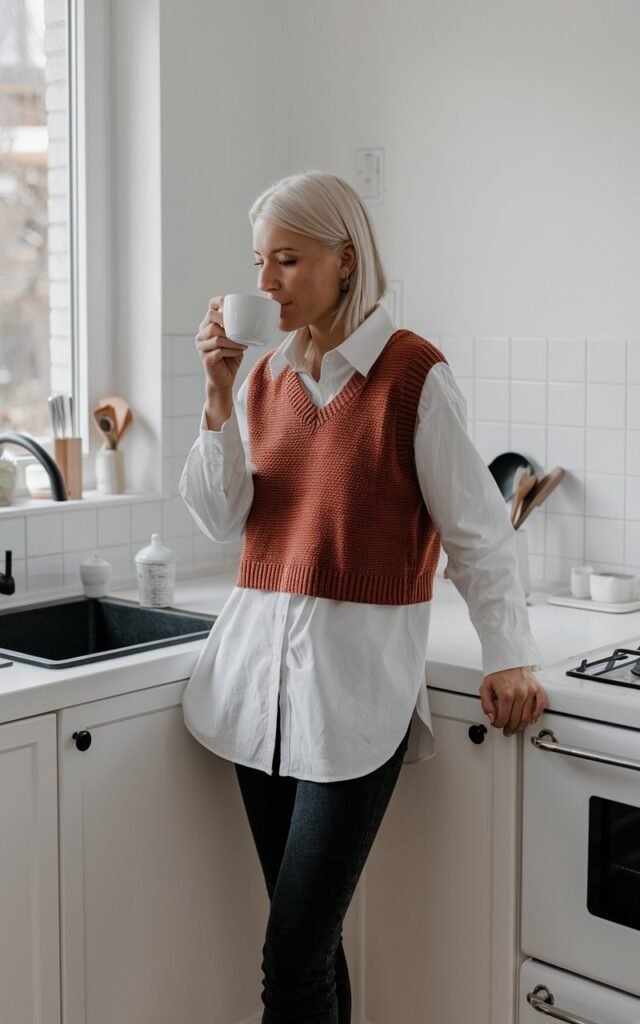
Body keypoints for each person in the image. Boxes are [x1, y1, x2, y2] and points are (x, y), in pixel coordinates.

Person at [179, 170, 547, 1024]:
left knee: (290, 959)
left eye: (287, 261)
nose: (264, 283)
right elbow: (218, 515)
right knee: (311, 951)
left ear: (346, 261)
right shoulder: (266, 377)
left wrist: (510, 654)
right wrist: (217, 396)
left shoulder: (412, 375)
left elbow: (479, 532)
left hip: (353, 707)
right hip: (254, 699)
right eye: (258, 263)